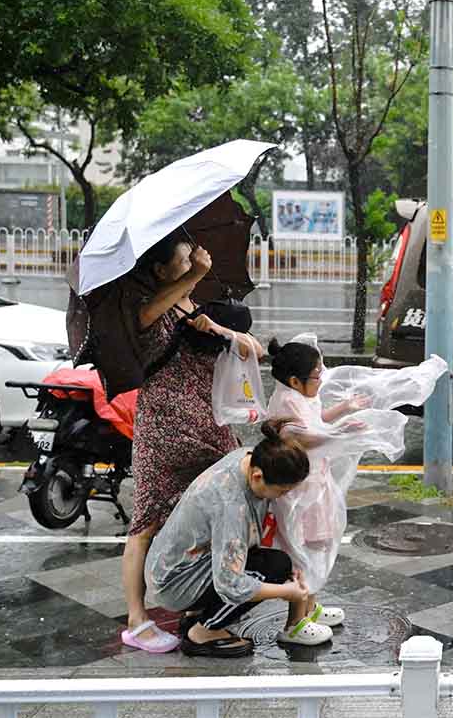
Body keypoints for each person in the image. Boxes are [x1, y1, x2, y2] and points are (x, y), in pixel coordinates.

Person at [120, 233, 264, 654]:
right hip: (164, 431)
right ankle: (136, 617)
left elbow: (250, 349)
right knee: (147, 523)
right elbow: (147, 317)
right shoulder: (148, 310)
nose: (197, 258)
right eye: (186, 258)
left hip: (210, 424)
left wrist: (216, 326)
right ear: (162, 271)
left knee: (223, 510)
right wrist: (196, 275)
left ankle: (203, 602)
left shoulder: (194, 305)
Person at [145, 422, 329, 657]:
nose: (284, 497)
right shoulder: (231, 505)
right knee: (272, 568)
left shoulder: (249, 456)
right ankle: (202, 633)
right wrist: (287, 592)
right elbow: (230, 583)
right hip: (175, 585)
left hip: (176, 564)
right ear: (258, 476)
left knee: (275, 563)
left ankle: (198, 615)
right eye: (282, 491)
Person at [262, 338, 370, 638]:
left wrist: (344, 409)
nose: (321, 380)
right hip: (298, 493)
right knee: (302, 554)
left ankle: (311, 607)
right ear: (295, 380)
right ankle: (295, 623)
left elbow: (316, 420)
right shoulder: (284, 401)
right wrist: (339, 433)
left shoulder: (297, 395)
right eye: (316, 375)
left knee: (315, 549)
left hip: (314, 487)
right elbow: (303, 437)